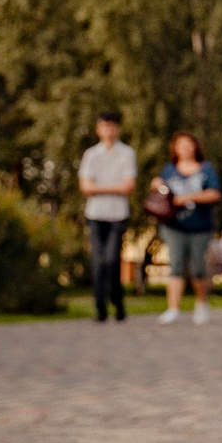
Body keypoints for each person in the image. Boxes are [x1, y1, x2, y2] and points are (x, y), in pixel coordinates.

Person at [152, 132, 222, 325]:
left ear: (195, 147)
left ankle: (201, 304)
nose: (184, 148)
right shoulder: (169, 170)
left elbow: (215, 194)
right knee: (175, 264)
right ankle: (173, 308)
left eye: (188, 144)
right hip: (174, 225)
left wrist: (187, 197)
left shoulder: (206, 169)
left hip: (200, 226)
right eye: (180, 144)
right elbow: (161, 191)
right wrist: (157, 184)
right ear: (174, 148)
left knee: (197, 267)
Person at [77, 113, 137, 324]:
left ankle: (118, 303)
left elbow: (128, 186)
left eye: (112, 126)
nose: (108, 131)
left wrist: (98, 187)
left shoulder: (127, 153)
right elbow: (85, 187)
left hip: (117, 215)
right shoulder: (91, 154)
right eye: (104, 126)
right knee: (98, 262)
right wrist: (114, 187)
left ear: (117, 129)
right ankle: (100, 307)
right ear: (98, 129)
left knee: (112, 260)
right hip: (95, 215)